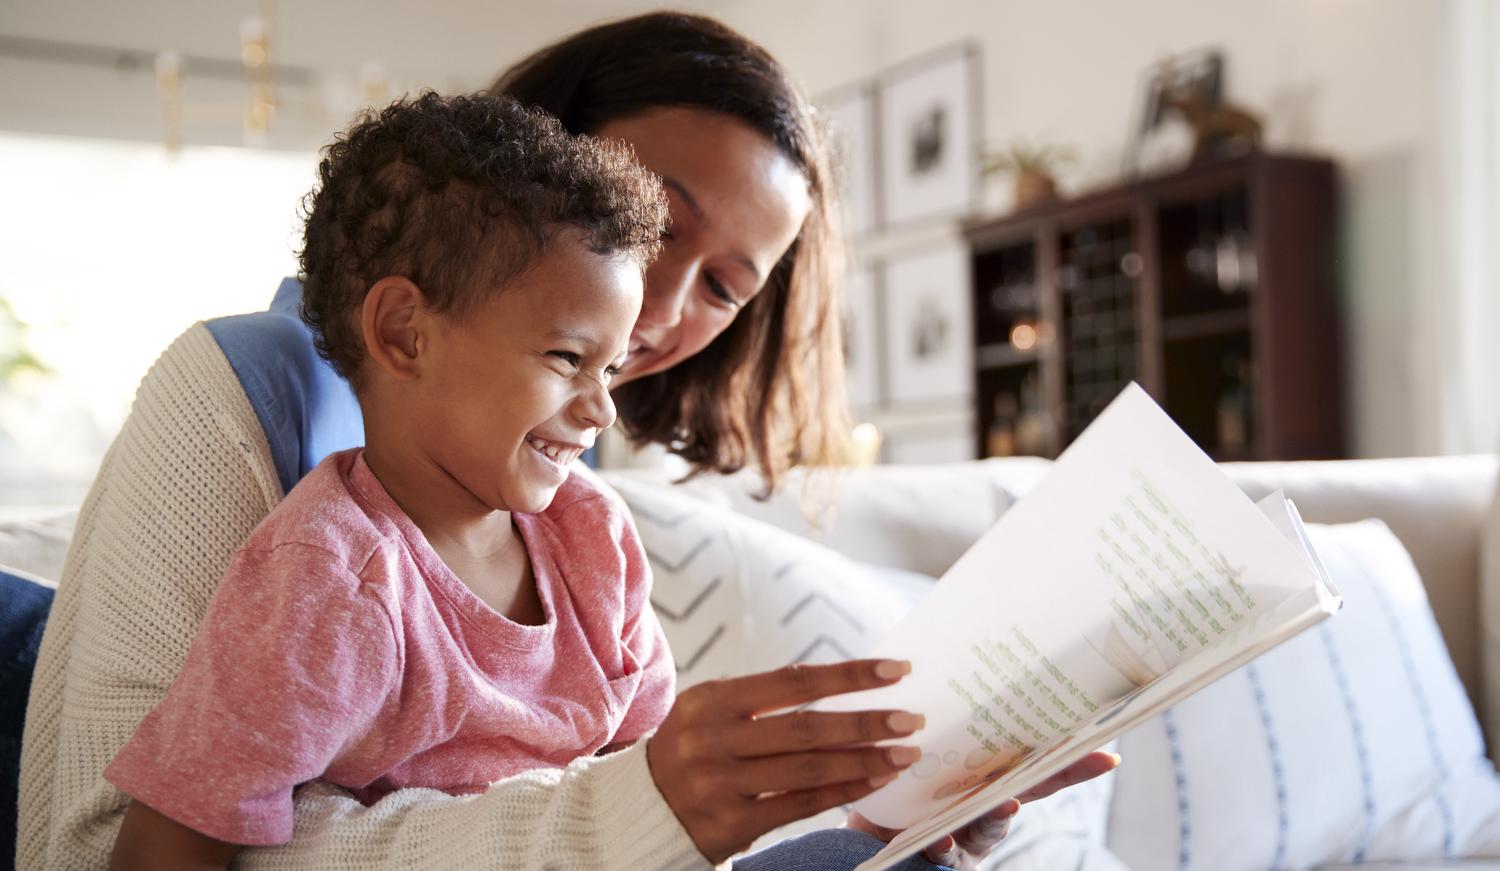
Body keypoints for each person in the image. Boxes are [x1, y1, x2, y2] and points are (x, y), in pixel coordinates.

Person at [19, 12, 1114, 871]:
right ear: (546, 145)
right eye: (653, 218)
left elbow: (627, 793)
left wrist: (889, 813)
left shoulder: (566, 498)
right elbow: (104, 846)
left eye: (725, 287)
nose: (656, 314)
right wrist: (628, 818)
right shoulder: (255, 426)